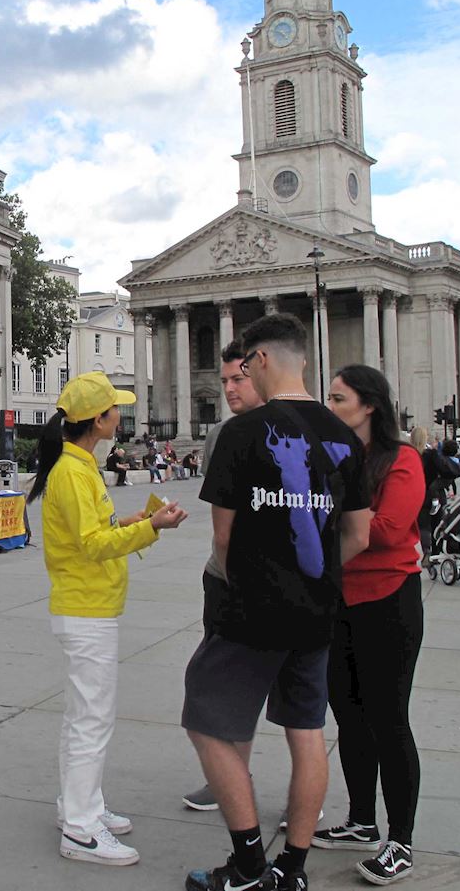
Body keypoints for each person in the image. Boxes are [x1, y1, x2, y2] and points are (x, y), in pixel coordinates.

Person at [185, 314, 370, 891]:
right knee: (306, 731)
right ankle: (292, 867)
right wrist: (311, 569)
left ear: (260, 360)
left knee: (208, 720)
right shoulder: (345, 439)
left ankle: (246, 864)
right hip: (317, 609)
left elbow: (223, 535)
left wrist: (263, 572)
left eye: (246, 368)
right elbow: (359, 533)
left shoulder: (242, 433)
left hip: (254, 608)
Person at [28, 371, 188, 867]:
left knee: (84, 717)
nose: (121, 414)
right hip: (86, 608)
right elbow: (94, 545)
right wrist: (151, 529)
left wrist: (137, 521)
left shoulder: (79, 465)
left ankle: (81, 807)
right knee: (91, 719)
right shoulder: (74, 473)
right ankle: (79, 828)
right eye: (115, 408)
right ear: (98, 420)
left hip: (88, 606)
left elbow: (97, 529)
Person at [316, 365, 425, 885]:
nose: (329, 406)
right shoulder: (334, 458)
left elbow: (386, 529)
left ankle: (399, 839)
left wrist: (328, 515)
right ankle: (361, 819)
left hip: (388, 600)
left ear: (369, 406)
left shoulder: (401, 459)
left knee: (389, 719)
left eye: (339, 398)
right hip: (339, 600)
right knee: (349, 716)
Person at [181, 342, 266, 813]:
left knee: (298, 702)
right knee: (225, 690)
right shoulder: (221, 434)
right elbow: (222, 521)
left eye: (240, 378)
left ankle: (303, 798)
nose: (231, 388)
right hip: (227, 578)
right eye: (226, 380)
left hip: (280, 581)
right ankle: (231, 780)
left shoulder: (291, 429)